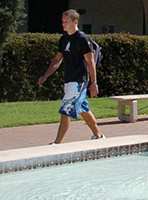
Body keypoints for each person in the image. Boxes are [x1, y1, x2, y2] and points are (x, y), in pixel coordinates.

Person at [38, 9, 105, 143]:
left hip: (79, 81)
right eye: (62, 21)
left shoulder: (82, 39)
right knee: (83, 109)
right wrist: (45, 76)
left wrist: (93, 83)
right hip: (69, 80)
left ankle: (57, 143)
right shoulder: (64, 39)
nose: (63, 24)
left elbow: (90, 62)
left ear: (75, 22)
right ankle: (99, 136)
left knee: (65, 110)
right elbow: (57, 60)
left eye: (66, 21)